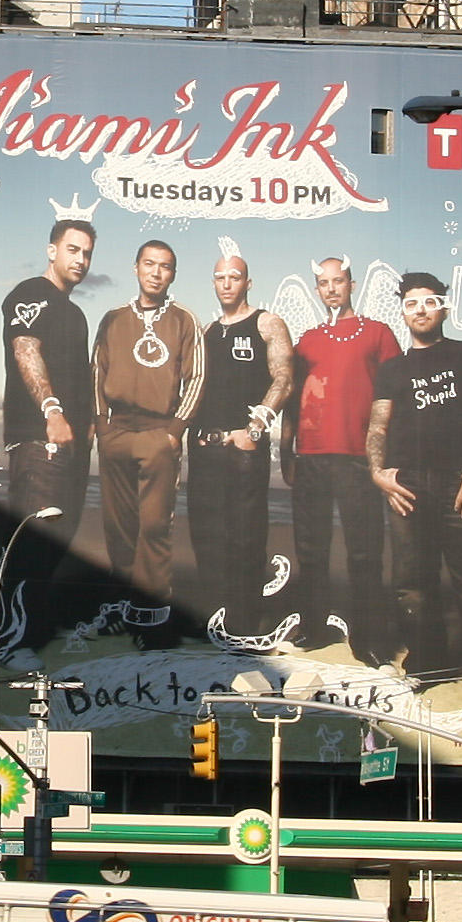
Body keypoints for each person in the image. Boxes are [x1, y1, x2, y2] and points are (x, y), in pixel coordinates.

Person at [365, 272, 462, 678]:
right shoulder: (392, 369)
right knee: (412, 586)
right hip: (408, 486)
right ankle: (426, 668)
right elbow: (378, 427)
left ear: (444, 307)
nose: (421, 310)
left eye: (429, 302)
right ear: (402, 312)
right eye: (412, 304)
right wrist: (378, 473)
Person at [0, 218, 97, 646]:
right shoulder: (30, 293)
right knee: (33, 546)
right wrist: (51, 412)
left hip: (71, 448)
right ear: (52, 250)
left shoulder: (74, 312)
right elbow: (25, 349)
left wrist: (87, 427)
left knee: (57, 543)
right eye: (73, 249)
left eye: (87, 253)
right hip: (40, 441)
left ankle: (18, 636)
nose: (81, 260)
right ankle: (10, 644)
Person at [287, 257, 399, 650]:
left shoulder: (379, 334)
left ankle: (369, 640)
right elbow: (291, 399)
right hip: (312, 457)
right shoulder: (307, 340)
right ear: (317, 289)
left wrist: (386, 459)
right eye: (323, 283)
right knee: (310, 550)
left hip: (358, 458)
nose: (331, 288)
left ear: (351, 284)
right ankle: (313, 629)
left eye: (338, 281)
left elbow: (396, 397)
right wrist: (288, 451)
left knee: (364, 552)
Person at [183, 248, 293, 637]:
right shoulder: (209, 332)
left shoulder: (267, 323)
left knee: (245, 538)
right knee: (206, 535)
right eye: (220, 277)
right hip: (203, 450)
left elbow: (284, 380)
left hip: (243, 449)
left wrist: (255, 429)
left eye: (234, 277)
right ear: (214, 282)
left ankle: (245, 625)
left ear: (247, 283)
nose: (227, 283)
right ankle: (215, 623)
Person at [90, 240, 203, 610]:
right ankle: (121, 603)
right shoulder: (112, 318)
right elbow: (96, 374)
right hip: (117, 430)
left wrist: (175, 430)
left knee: (154, 525)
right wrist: (102, 429)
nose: (156, 272)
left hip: (159, 433)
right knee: (118, 524)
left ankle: (152, 608)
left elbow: (197, 377)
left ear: (173, 273)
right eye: (149, 264)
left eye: (165, 266)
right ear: (135, 268)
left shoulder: (185, 319)